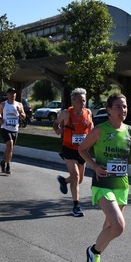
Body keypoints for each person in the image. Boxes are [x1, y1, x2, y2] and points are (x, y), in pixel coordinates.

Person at [78, 93, 131, 262]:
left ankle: (93, 256)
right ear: (109, 110)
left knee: (110, 227)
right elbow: (82, 149)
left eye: (125, 107)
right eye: (118, 107)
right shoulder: (100, 130)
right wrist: (94, 166)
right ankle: (94, 253)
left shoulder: (130, 131)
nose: (123, 110)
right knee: (119, 226)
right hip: (103, 184)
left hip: (122, 185)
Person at [53, 88, 93, 217]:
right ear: (73, 101)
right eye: (80, 100)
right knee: (75, 176)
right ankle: (76, 206)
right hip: (68, 149)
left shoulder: (88, 113)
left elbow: (91, 129)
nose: (83, 103)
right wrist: (58, 130)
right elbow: (55, 124)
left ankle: (64, 181)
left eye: (84, 100)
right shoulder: (66, 114)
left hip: (82, 150)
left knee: (79, 179)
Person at [0, 87, 26, 174]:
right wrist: (0, 118)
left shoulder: (19, 105)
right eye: (10, 93)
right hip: (5, 128)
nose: (12, 95)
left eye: (14, 93)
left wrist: (20, 112)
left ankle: (3, 162)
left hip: (15, 129)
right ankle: (8, 165)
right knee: (10, 145)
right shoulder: (3, 104)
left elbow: (24, 117)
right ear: (7, 94)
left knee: (9, 149)